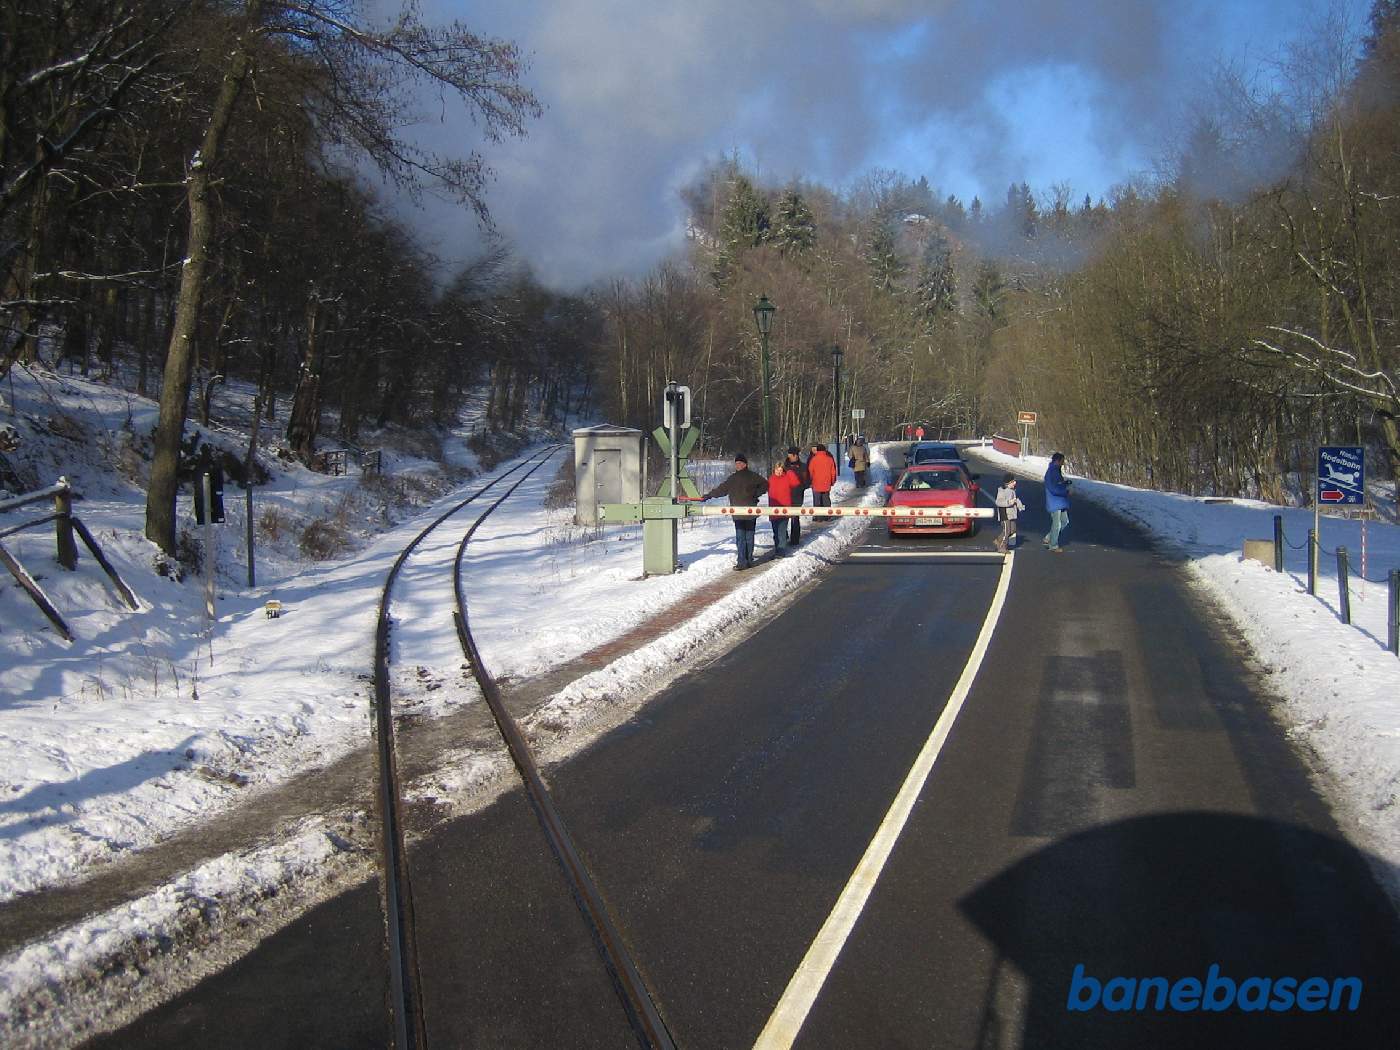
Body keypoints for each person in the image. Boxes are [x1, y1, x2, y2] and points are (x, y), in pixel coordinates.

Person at [693, 453, 768, 570]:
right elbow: (721, 490)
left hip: (749, 512)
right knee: (742, 537)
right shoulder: (732, 479)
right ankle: (744, 561)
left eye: (739, 463)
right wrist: (708, 496)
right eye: (736, 463)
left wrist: (756, 494)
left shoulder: (753, 477)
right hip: (739, 513)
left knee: (747, 536)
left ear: (745, 464)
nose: (737, 465)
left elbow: (765, 485)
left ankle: (746, 560)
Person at [767, 458, 799, 556]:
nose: (779, 472)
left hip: (785, 509)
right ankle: (778, 549)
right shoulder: (770, 479)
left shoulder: (787, 478)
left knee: (781, 531)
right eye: (777, 470)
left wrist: (789, 472)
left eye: (781, 470)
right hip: (773, 509)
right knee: (776, 532)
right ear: (774, 470)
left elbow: (796, 483)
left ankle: (781, 552)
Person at [1043, 452, 1072, 552]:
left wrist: (1065, 483)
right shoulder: (1052, 472)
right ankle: (1053, 545)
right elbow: (1053, 488)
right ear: (1057, 461)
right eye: (1062, 461)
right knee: (1057, 524)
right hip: (1055, 502)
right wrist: (1066, 491)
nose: (1063, 463)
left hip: (1060, 501)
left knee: (1065, 521)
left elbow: (1058, 484)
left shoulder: (1056, 470)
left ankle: (1048, 538)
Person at [783, 446, 810, 546]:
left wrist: (801, 487)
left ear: (796, 455)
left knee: (795, 517)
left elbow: (807, 481)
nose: (791, 457)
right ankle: (783, 537)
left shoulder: (803, 467)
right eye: (790, 455)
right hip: (785, 495)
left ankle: (795, 539)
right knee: (783, 517)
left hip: (797, 496)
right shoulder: (784, 467)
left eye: (793, 455)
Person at [994, 473, 1026, 553]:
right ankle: (1002, 547)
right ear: (1008, 483)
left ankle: (999, 540)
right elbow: (998, 502)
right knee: (1007, 531)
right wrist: (1009, 502)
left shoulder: (1012, 491)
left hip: (1011, 514)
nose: (1015, 483)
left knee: (1012, 530)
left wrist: (1020, 506)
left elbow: (1015, 500)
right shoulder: (1002, 491)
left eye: (1014, 481)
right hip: (1004, 514)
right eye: (1013, 481)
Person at [808, 442, 838, 519]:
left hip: (816, 483)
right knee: (826, 500)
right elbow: (833, 471)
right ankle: (827, 516)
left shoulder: (813, 459)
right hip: (826, 483)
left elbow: (810, 471)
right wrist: (832, 481)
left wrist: (811, 480)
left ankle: (818, 517)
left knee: (817, 501)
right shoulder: (829, 459)